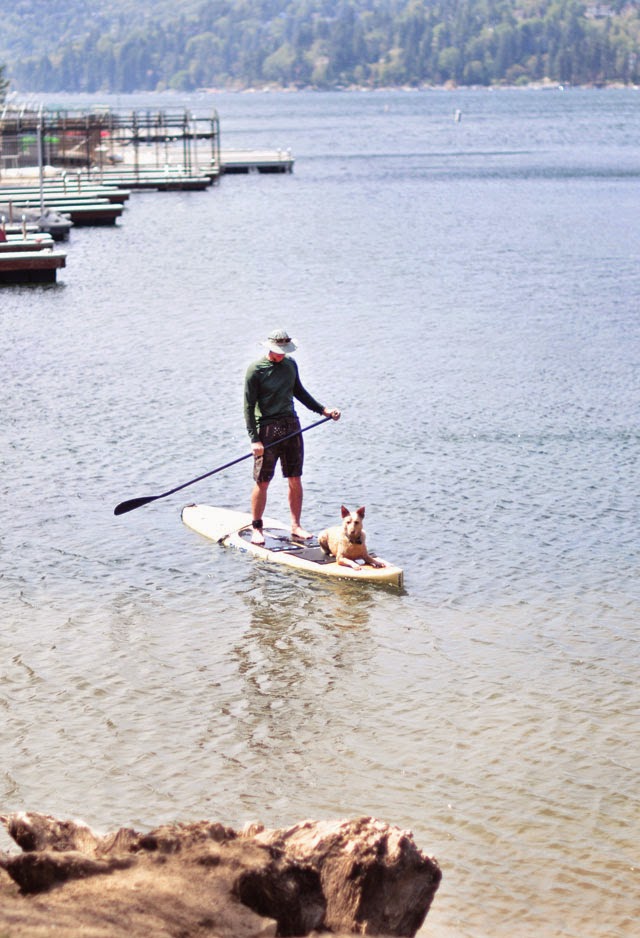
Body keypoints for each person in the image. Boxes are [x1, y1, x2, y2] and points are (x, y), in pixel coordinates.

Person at [244, 328, 340, 545]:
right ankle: (256, 527)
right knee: (263, 481)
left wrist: (323, 410)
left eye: (284, 351)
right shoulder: (255, 371)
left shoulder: (290, 365)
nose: (281, 355)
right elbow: (248, 407)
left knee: (295, 478)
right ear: (270, 348)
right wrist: (254, 439)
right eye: (278, 351)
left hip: (291, 426)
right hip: (267, 430)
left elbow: (300, 392)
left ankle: (296, 526)